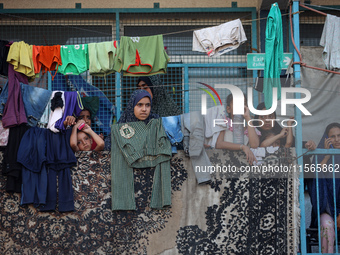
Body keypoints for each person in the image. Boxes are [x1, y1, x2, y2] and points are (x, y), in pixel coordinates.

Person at [307, 122, 340, 253]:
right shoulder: (319, 158)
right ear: (326, 138)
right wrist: (326, 156)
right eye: (333, 136)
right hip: (326, 211)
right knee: (327, 226)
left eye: (339, 135)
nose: (337, 140)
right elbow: (317, 184)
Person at [215, 94, 259, 165]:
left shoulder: (250, 128)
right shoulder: (224, 123)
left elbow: (254, 145)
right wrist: (242, 147)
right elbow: (219, 144)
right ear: (229, 109)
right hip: (225, 165)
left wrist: (247, 117)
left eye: (243, 103)